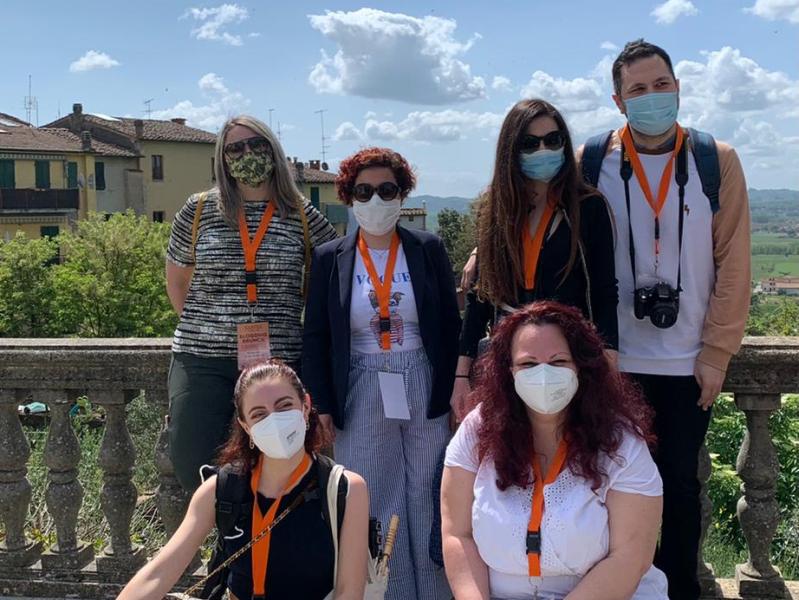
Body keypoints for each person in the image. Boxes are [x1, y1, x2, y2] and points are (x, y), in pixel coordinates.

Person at [577, 39, 751, 600]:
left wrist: (717, 353)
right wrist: (482, 251)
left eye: (661, 85)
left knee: (679, 486)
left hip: (686, 360)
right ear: (618, 100)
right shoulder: (590, 161)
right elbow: (533, 212)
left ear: (677, 87)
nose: (652, 96)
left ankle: (679, 592)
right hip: (612, 360)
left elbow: (734, 261)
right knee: (611, 488)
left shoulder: (714, 159)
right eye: (638, 89)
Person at [303, 147, 461, 600]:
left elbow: (450, 324)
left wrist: (455, 387)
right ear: (349, 197)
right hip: (359, 382)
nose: (375, 200)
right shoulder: (330, 257)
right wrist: (322, 404)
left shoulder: (427, 248)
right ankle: (388, 593)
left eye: (386, 190)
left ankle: (437, 592)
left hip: (422, 378)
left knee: (429, 493)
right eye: (364, 191)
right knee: (372, 494)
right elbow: (315, 334)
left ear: (402, 194)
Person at [441, 301, 668, 599]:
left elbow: (630, 557)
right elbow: (457, 534)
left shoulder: (621, 440)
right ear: (509, 371)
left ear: (581, 367)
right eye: (528, 364)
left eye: (558, 362)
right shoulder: (477, 430)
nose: (544, 375)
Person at [165, 115, 337, 491]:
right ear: (223, 159)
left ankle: (263, 530)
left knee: (278, 468)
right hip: (203, 359)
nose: (248, 154)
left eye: (257, 144)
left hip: (278, 363)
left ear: (273, 151)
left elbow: (335, 272)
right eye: (236, 148)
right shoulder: (198, 210)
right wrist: (210, 328)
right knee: (194, 464)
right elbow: (177, 280)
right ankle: (216, 528)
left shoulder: (303, 216)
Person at [118, 361, 369, 600]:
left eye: (284, 406)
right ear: (246, 426)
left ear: (305, 406)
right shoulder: (221, 488)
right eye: (259, 414)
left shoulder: (346, 490)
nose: (274, 421)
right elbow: (159, 573)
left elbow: (349, 592)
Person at [452, 98, 618, 423]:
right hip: (510, 358)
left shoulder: (588, 207)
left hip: (568, 357)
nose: (544, 150)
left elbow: (604, 290)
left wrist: (610, 361)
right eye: (530, 143)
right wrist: (462, 373)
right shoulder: (497, 209)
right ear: (511, 150)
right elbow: (480, 298)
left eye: (553, 140)